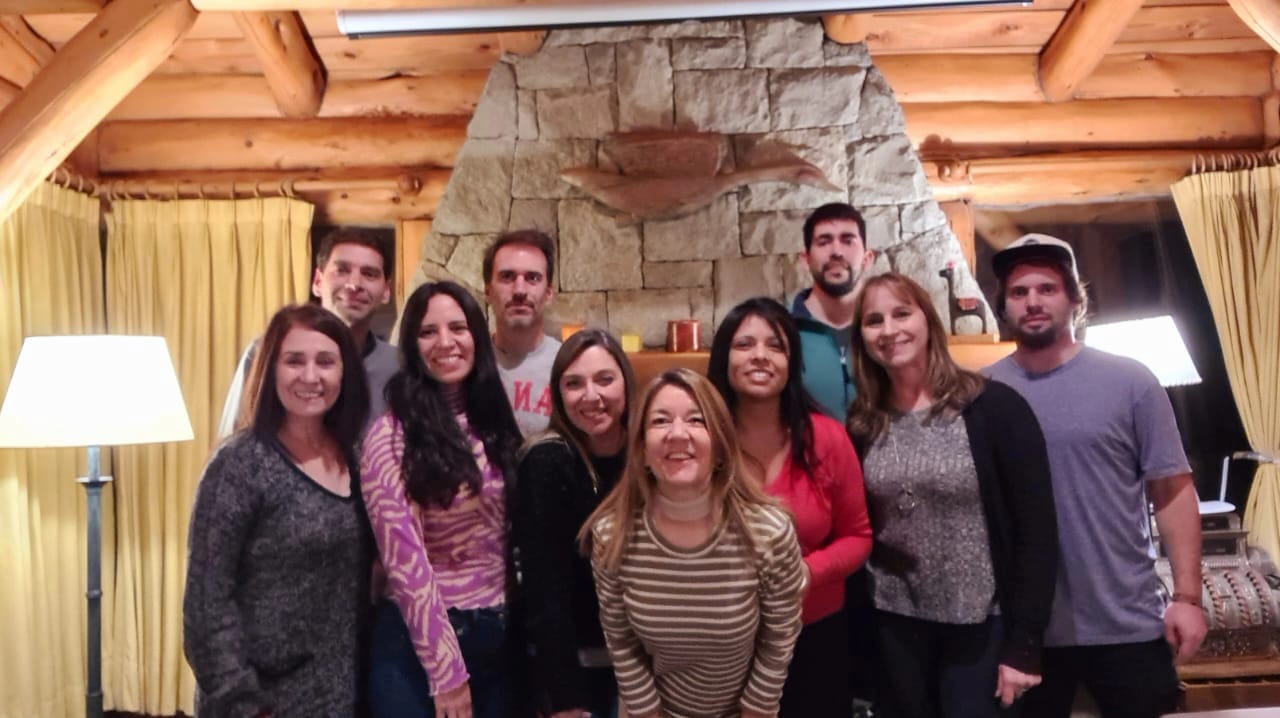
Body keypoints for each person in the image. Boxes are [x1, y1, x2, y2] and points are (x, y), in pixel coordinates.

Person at [985, 234, 1206, 718]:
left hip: (1127, 622)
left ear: (1075, 299)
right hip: (1024, 634)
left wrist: (1188, 598)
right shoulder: (982, 391)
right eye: (1019, 292)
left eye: (1047, 288)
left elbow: (1172, 490)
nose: (1033, 301)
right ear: (1003, 306)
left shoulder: (1131, 381)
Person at [846, 271, 1058, 718]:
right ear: (861, 337)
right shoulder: (863, 423)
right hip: (895, 625)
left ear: (928, 320)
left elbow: (1037, 532)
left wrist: (1025, 645)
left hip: (981, 624)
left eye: (902, 313)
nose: (889, 330)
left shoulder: (994, 408)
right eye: (874, 320)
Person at [184, 303, 373, 717]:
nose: (311, 376)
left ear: (345, 373)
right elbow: (206, 606)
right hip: (260, 702)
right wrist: (245, 704)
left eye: (326, 362)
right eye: (294, 361)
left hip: (341, 696)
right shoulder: (239, 465)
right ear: (271, 369)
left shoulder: (358, 459)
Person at [583, 368, 807, 718]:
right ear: (641, 449)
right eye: (660, 421)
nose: (677, 434)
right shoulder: (612, 536)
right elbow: (621, 639)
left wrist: (757, 709)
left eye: (696, 420)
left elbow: (779, 636)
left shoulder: (769, 533)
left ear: (720, 446)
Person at [360, 281, 524, 718]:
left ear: (477, 336)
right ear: (411, 346)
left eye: (458, 327)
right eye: (428, 332)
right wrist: (447, 674)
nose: (446, 342)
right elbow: (405, 562)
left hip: (497, 638)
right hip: (419, 649)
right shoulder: (391, 436)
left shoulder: (493, 420)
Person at [707, 297, 873, 718]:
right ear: (724, 357)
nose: (760, 355)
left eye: (775, 345)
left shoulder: (827, 438)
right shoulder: (703, 440)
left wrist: (807, 573)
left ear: (791, 362)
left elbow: (858, 536)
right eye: (744, 344)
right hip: (722, 642)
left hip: (814, 635)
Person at [513, 329, 635, 718]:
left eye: (604, 379)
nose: (591, 396)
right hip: (580, 670)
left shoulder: (647, 453)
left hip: (646, 667)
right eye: (574, 384)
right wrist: (565, 697)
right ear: (558, 393)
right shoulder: (547, 461)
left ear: (626, 383)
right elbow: (544, 591)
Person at [217, 227, 398, 437]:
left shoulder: (399, 366)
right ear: (318, 282)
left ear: (386, 291)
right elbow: (232, 441)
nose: (354, 284)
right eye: (342, 270)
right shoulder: (265, 352)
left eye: (369, 274)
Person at [790, 202, 876, 423]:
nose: (836, 251)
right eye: (824, 241)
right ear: (806, 260)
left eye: (847, 240)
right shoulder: (782, 332)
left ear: (867, 259)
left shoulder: (891, 331)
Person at [484, 230, 561, 435]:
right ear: (488, 291)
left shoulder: (568, 366)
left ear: (549, 293)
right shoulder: (470, 364)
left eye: (532, 278)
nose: (519, 290)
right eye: (507, 277)